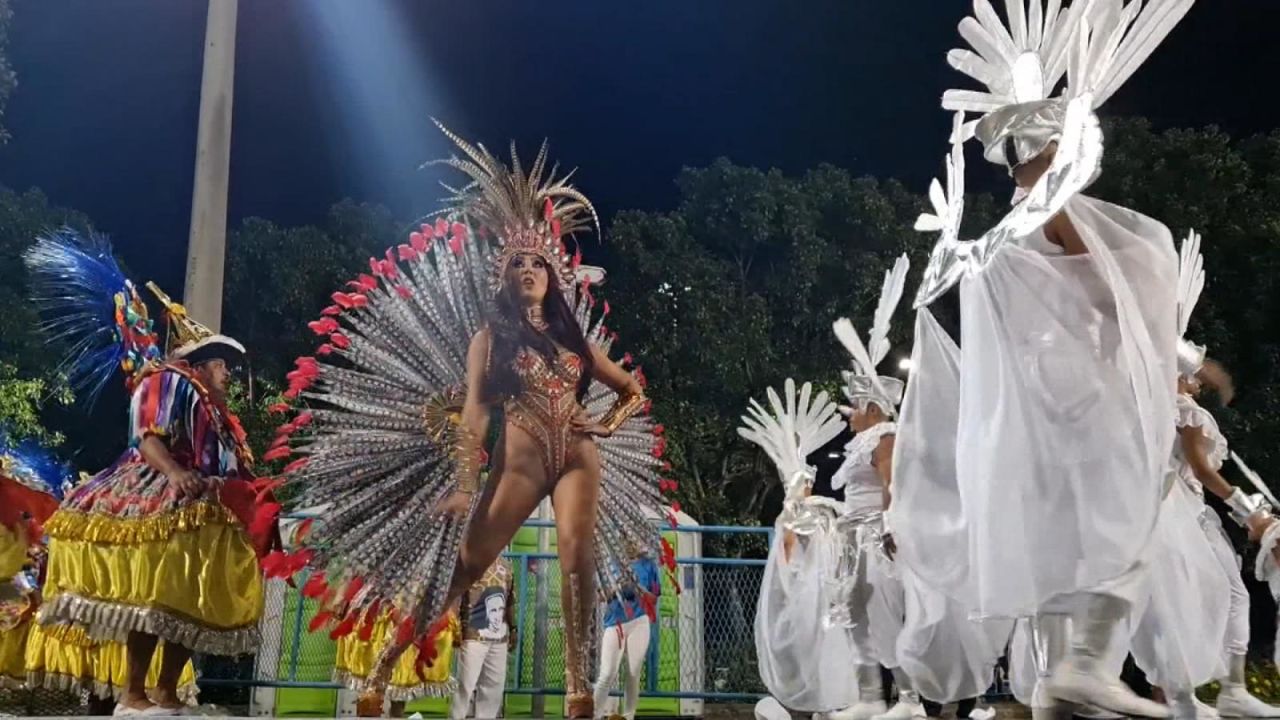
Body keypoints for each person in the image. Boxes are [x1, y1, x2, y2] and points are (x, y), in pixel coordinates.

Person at [267, 123, 674, 720]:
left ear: (552, 276)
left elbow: (633, 389)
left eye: (539, 262)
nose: (530, 270)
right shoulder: (490, 339)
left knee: (576, 555)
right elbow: (477, 414)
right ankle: (384, 668)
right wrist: (462, 487)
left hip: (579, 455)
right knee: (464, 571)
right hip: (521, 458)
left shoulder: (573, 338)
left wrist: (608, 425)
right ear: (505, 277)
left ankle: (577, 687)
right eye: (518, 263)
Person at [894, 3, 1199, 717]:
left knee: (1074, 543)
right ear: (1050, 147)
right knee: (1133, 520)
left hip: (1041, 409)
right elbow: (1103, 283)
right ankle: (1082, 667)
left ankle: (1065, 680)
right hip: (1076, 407)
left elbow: (1092, 293)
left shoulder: (1011, 227)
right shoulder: (1044, 211)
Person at [23, 231, 273, 716]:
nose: (227, 375)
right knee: (153, 598)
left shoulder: (218, 414)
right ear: (202, 364)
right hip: (161, 495)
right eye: (222, 365)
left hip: (203, 508)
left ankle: (165, 691)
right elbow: (147, 436)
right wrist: (176, 474)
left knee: (184, 604)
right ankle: (134, 693)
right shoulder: (170, 382)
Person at [829, 259, 1006, 720]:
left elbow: (891, 482)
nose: (849, 413)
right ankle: (870, 697)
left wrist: (891, 526)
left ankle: (908, 698)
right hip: (855, 539)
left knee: (889, 614)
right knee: (858, 615)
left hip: (880, 537)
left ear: (871, 405)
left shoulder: (882, 436)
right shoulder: (861, 442)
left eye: (854, 405)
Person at [740, 378, 855, 718]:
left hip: (820, 598)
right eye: (803, 484)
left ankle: (820, 706)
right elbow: (787, 557)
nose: (807, 488)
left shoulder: (814, 513)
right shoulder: (794, 515)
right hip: (805, 600)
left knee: (822, 657)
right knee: (809, 656)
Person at [335, 611, 460, 718]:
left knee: (399, 688)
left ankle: (394, 714)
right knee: (371, 684)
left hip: (409, 623)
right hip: (381, 620)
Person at [593, 545, 661, 720]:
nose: (635, 543)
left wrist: (638, 588)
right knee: (607, 673)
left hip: (639, 621)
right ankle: (594, 715)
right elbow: (600, 596)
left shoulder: (649, 565)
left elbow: (654, 598)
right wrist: (617, 587)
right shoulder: (610, 562)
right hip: (614, 622)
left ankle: (629, 716)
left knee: (633, 673)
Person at [451, 557, 515, 720]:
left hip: (499, 638)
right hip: (473, 636)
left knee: (494, 686)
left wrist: (513, 628)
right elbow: (456, 597)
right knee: (465, 684)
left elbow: (510, 601)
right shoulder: (470, 564)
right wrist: (455, 628)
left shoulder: (506, 567)